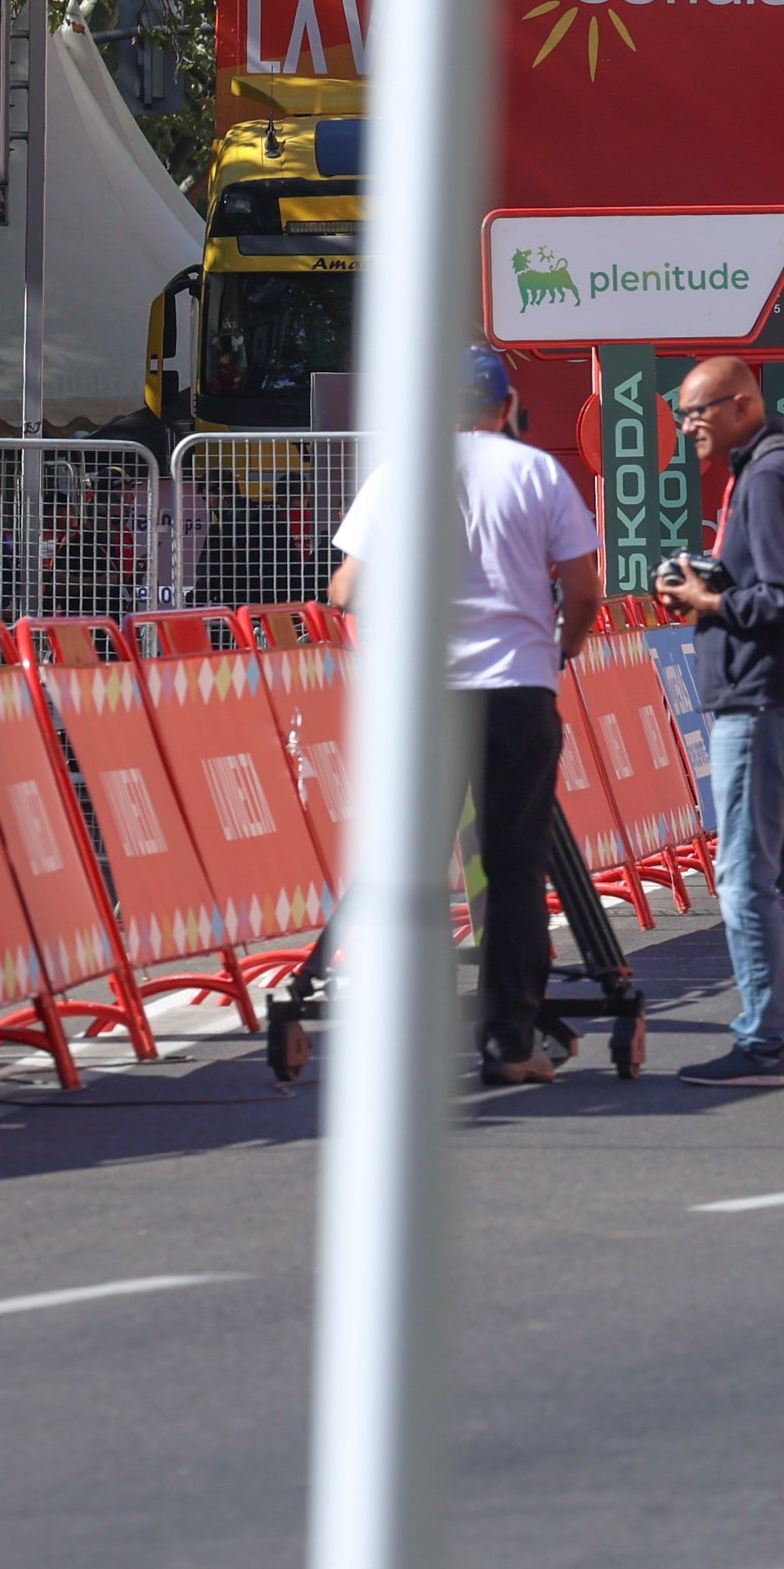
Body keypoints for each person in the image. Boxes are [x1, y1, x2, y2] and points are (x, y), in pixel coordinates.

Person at [326, 346, 598, 1086]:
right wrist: (561, 651)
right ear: (506, 407)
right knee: (514, 870)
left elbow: (347, 587)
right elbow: (583, 588)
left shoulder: (402, 473)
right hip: (517, 689)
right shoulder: (538, 472)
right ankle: (509, 1042)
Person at [654, 357, 784, 1087]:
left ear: (742, 405)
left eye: (696, 412)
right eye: (681, 414)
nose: (686, 427)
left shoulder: (768, 478)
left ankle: (766, 1044)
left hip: (762, 704)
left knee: (744, 877)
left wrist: (707, 603)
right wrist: (714, 578)